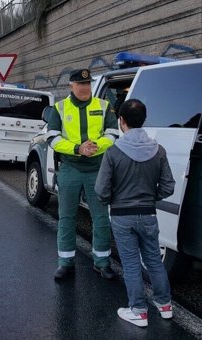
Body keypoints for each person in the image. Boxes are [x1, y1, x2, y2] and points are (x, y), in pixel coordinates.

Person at [94, 99, 175, 328]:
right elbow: (168, 186)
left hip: (122, 216)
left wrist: (112, 201)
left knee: (130, 263)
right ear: (144, 120)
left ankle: (138, 310)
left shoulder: (113, 152)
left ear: (121, 121)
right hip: (149, 214)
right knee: (153, 261)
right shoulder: (158, 150)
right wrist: (150, 197)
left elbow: (101, 190)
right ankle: (165, 305)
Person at [47, 68, 119, 280]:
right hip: (70, 167)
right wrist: (78, 148)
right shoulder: (60, 108)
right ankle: (65, 263)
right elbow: (52, 138)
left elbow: (113, 134)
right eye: (81, 84)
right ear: (72, 85)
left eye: (88, 84)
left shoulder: (104, 106)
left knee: (101, 218)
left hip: (97, 169)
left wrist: (95, 145)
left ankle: (102, 262)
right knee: (67, 217)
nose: (85, 88)